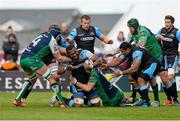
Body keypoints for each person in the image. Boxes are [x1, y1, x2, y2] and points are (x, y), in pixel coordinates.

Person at [12, 26, 71, 109]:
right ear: (57, 36)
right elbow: (59, 58)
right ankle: (62, 103)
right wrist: (71, 58)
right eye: (59, 37)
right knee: (52, 79)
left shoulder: (43, 34)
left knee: (32, 78)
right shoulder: (53, 40)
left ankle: (18, 99)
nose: (59, 38)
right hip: (33, 60)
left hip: (23, 59)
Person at [127, 18, 178, 105]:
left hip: (160, 56)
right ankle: (156, 100)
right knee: (150, 78)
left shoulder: (143, 32)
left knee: (165, 79)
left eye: (130, 27)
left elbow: (142, 44)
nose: (129, 29)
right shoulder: (134, 34)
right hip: (149, 59)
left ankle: (175, 99)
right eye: (165, 22)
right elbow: (128, 44)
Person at [112, 42, 176, 107]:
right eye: (121, 51)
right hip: (145, 66)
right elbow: (121, 63)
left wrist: (121, 72)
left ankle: (149, 101)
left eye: (123, 51)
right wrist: (107, 65)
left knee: (141, 79)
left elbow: (135, 68)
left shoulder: (136, 52)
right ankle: (144, 98)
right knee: (131, 78)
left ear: (128, 49)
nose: (122, 53)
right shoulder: (129, 52)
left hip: (153, 64)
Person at [156, 15, 180, 104]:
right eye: (165, 22)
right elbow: (156, 36)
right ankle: (169, 99)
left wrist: (164, 38)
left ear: (172, 23)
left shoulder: (177, 32)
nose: (166, 24)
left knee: (170, 77)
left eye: (168, 22)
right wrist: (157, 38)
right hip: (164, 56)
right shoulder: (161, 30)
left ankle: (175, 99)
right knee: (164, 79)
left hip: (173, 56)